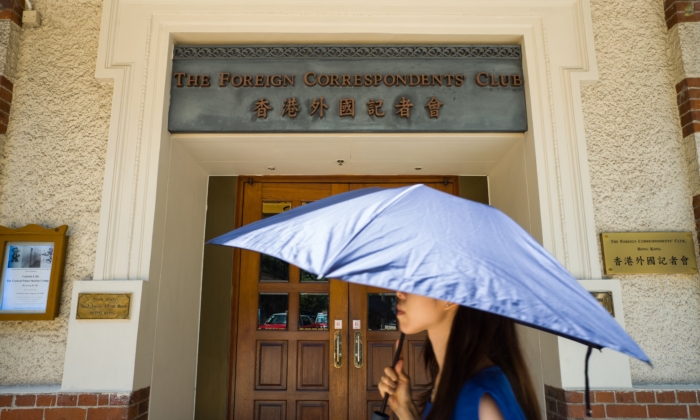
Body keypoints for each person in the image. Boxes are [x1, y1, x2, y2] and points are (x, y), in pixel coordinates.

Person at [378, 291, 541, 420]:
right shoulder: (446, 382)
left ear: (451, 295)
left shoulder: (482, 401)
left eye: (415, 280)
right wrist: (405, 409)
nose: (399, 292)